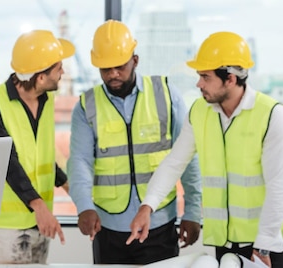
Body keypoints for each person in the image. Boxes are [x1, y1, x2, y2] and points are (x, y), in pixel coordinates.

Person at [128, 31, 283, 268]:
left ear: (230, 78)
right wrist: (148, 206)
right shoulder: (199, 112)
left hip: (268, 245)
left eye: (205, 77)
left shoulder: (271, 115)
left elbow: (278, 187)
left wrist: (263, 246)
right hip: (225, 243)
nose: (198, 84)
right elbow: (174, 163)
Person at [67, 19, 202, 265]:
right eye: (105, 69)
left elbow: (188, 157)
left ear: (135, 60)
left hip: (159, 224)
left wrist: (193, 211)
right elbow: (79, 161)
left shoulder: (166, 94)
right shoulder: (87, 106)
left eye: (119, 67)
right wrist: (84, 206)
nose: (113, 75)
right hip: (107, 228)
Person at [0, 30, 74, 264]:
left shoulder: (47, 99)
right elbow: (6, 160)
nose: (63, 73)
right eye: (58, 68)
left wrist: (67, 184)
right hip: (7, 224)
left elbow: (41, 153)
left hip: (40, 217)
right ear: (40, 77)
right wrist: (39, 206)